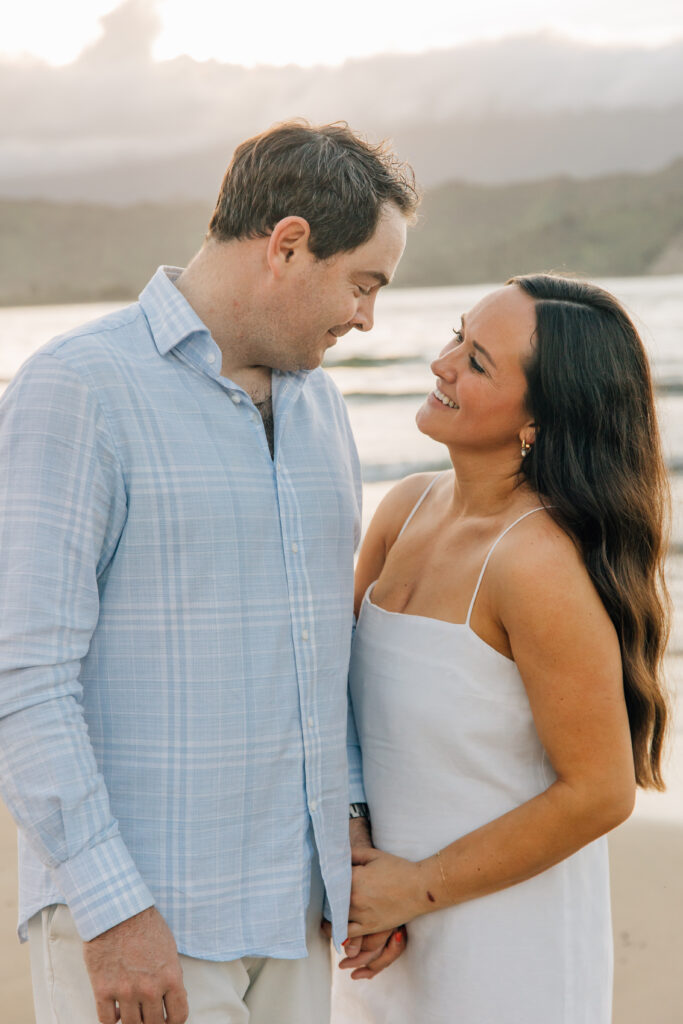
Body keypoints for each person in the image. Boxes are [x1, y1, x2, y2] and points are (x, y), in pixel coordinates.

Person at [0, 120, 419, 1024]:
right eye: (362, 284)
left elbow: (320, 655)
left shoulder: (322, 409)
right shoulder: (78, 389)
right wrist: (114, 910)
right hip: (146, 919)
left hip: (295, 916)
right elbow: (24, 678)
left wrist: (347, 829)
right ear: (289, 245)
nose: (366, 318)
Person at [330, 274, 670, 1023]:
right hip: (378, 925)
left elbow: (599, 791)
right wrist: (355, 860)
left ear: (539, 421)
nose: (441, 363)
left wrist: (414, 886)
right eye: (456, 335)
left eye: (477, 361)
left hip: (502, 944)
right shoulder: (403, 508)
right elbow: (333, 702)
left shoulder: (536, 564)